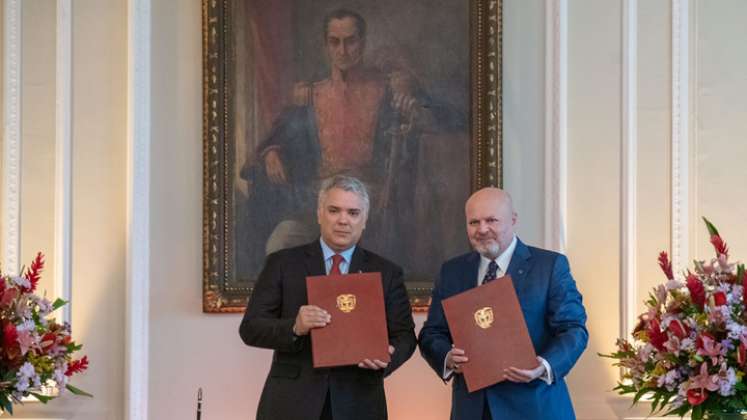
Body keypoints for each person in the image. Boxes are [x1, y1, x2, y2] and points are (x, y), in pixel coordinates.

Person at [239, 8, 459, 277]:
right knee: (278, 245)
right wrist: (271, 152)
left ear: (363, 42)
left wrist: (410, 93)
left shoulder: (388, 89)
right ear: (326, 46)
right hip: (316, 199)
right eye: (335, 42)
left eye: (350, 41)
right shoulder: (311, 94)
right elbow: (275, 135)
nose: (343, 50)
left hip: (370, 199)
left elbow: (443, 116)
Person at [239, 175, 416, 420]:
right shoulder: (282, 263)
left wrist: (388, 356)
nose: (343, 220)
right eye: (334, 210)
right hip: (291, 402)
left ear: (364, 220)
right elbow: (250, 328)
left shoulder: (386, 272)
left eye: (353, 213)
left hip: (359, 403)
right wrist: (294, 326)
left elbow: (405, 335)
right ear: (319, 213)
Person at [418, 188, 588, 420]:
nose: (482, 229)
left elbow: (573, 329)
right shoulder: (452, 271)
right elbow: (432, 333)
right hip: (473, 410)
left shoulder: (549, 267)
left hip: (536, 407)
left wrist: (544, 365)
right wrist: (447, 357)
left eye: (492, 220)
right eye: (474, 222)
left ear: (513, 220)